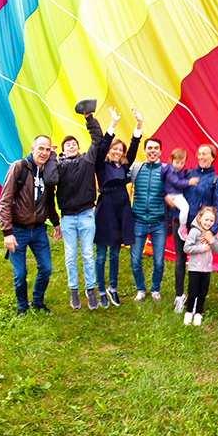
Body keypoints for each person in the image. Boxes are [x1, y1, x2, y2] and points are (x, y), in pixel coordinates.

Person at [45, 105, 104, 311]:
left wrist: (89, 118)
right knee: (70, 256)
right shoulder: (58, 165)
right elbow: (50, 179)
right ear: (63, 150)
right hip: (68, 218)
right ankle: (73, 290)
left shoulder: (87, 160)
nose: (71, 146)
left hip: (87, 215)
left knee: (87, 254)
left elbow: (97, 139)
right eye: (67, 144)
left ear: (78, 147)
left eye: (74, 143)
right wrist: (52, 157)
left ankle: (90, 289)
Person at [0, 135, 61, 317]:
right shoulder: (19, 167)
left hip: (39, 230)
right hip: (18, 230)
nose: (44, 153)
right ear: (32, 149)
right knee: (20, 273)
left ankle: (37, 302)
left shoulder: (47, 172)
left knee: (46, 268)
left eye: (47, 150)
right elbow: (4, 201)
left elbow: (49, 201)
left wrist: (55, 222)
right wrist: (7, 232)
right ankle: (22, 307)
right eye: (41, 148)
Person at [94, 107, 142, 308]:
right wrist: (113, 124)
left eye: (120, 150)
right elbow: (103, 145)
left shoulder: (123, 166)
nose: (117, 152)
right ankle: (100, 289)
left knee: (114, 253)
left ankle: (112, 288)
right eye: (114, 149)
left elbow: (134, 147)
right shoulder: (100, 164)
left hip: (121, 210)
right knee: (101, 254)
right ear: (109, 151)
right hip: (105, 209)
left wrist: (139, 124)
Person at [172, 144, 218, 313]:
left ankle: (195, 298)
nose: (201, 157)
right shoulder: (187, 173)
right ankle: (179, 295)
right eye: (199, 154)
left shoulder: (215, 180)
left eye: (205, 154)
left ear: (213, 157)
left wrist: (212, 230)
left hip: (200, 228)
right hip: (180, 223)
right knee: (180, 259)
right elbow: (174, 189)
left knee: (198, 264)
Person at [129, 136, 168, 302]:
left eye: (156, 148)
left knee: (158, 261)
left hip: (159, 223)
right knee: (135, 260)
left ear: (160, 151)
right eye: (149, 148)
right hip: (138, 221)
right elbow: (117, 178)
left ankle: (155, 289)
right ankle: (140, 289)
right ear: (144, 150)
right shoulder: (136, 168)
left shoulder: (166, 171)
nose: (152, 151)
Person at [183, 206, 218, 326]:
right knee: (192, 292)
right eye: (206, 220)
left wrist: (211, 240)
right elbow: (186, 248)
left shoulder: (213, 234)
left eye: (211, 221)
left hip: (207, 269)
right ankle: (189, 312)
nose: (208, 223)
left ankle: (198, 313)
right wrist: (201, 248)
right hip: (194, 268)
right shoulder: (194, 231)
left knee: (202, 293)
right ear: (200, 218)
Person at [161, 148, 199, 240]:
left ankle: (172, 226)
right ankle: (182, 227)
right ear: (172, 160)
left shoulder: (177, 171)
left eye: (182, 163)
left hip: (175, 194)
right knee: (185, 208)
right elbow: (176, 182)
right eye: (177, 162)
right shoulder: (171, 170)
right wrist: (189, 182)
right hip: (173, 194)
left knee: (173, 212)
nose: (179, 165)